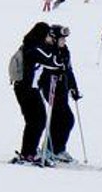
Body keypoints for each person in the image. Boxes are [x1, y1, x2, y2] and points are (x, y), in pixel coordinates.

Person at [10, 22, 65, 164]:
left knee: (36, 121)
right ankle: (28, 154)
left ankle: (28, 152)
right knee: (37, 121)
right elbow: (52, 62)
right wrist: (59, 53)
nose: (50, 38)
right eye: (48, 35)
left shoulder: (32, 45)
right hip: (27, 89)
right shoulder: (34, 48)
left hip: (28, 89)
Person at [39, 24, 81, 163]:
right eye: (61, 39)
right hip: (50, 87)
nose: (64, 42)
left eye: (65, 39)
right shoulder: (47, 50)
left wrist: (73, 88)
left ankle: (57, 149)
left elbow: (68, 70)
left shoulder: (65, 51)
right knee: (62, 118)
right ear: (54, 38)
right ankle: (50, 149)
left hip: (62, 87)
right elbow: (43, 69)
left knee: (66, 119)